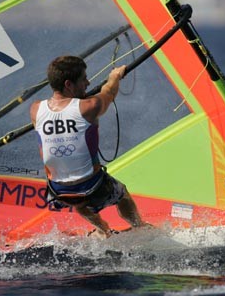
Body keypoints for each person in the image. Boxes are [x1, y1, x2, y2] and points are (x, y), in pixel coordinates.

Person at [30, 55, 147, 239]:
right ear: (68, 84)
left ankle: (102, 229)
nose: (88, 82)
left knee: (78, 202)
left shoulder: (35, 109)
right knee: (121, 193)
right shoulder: (89, 106)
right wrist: (115, 76)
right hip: (93, 185)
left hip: (57, 191)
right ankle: (140, 227)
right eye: (83, 78)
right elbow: (108, 92)